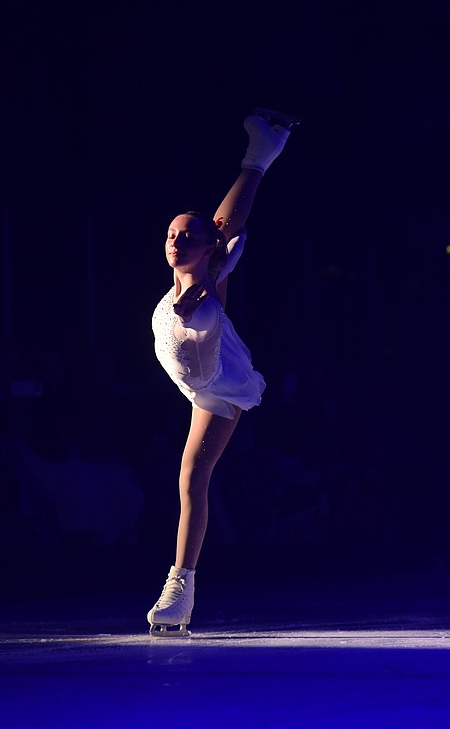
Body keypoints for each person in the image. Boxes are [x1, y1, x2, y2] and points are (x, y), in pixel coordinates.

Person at [146, 108, 299, 636]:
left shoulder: (204, 289)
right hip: (198, 382)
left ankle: (180, 589)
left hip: (216, 388)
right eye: (171, 233)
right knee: (189, 479)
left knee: (194, 479)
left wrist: (198, 295)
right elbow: (218, 236)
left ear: (207, 247)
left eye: (188, 235)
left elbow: (202, 283)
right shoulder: (204, 275)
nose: (176, 239)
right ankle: (261, 153)